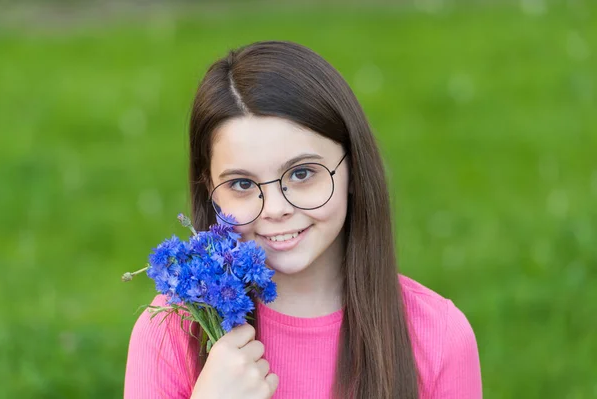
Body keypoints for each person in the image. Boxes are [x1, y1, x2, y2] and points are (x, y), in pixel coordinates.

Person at [124, 40, 482, 399]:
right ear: (210, 191)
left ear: (353, 170)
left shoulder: (438, 336)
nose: (275, 208)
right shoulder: (171, 332)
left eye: (301, 173)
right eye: (243, 184)